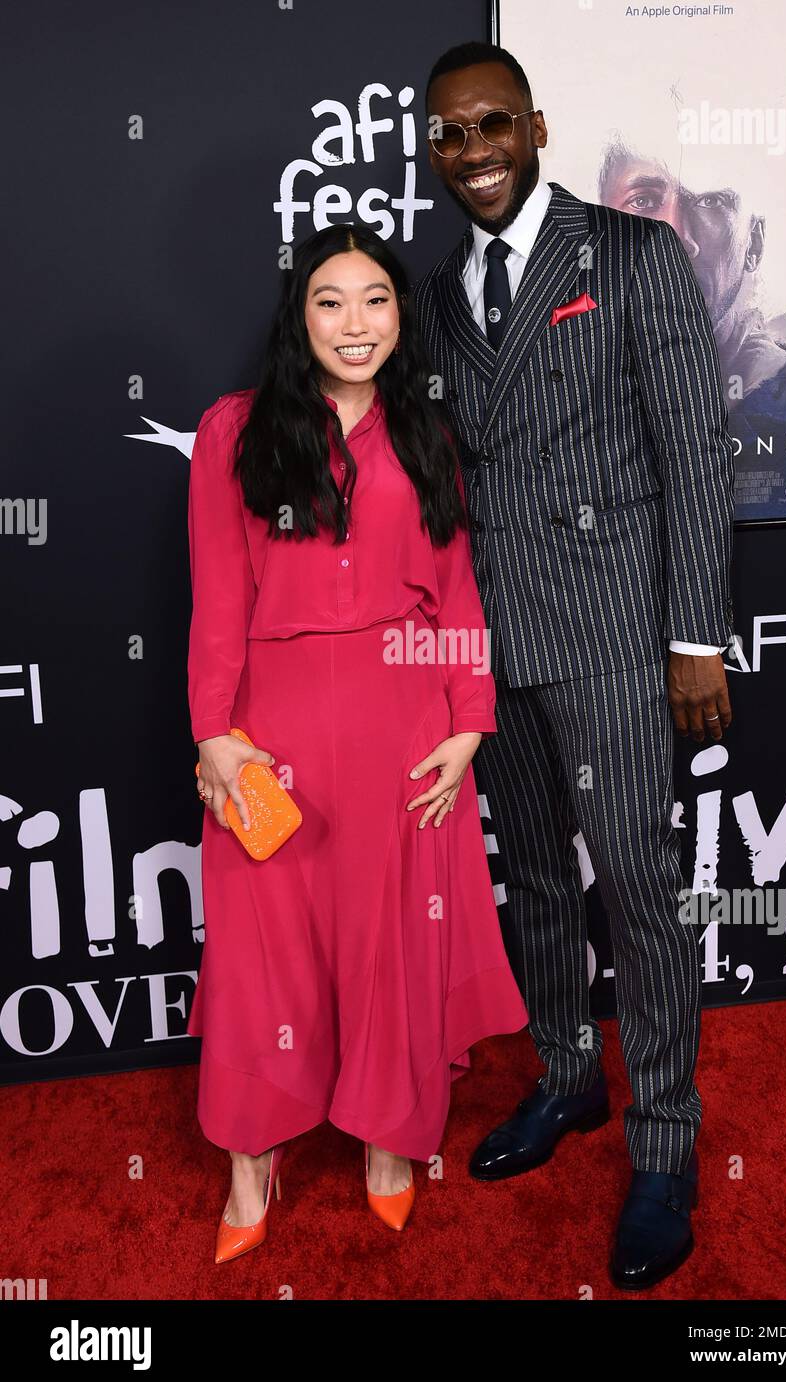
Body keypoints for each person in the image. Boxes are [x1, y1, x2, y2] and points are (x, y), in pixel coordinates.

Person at [414, 41, 735, 1289]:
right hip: (494, 644)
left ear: (534, 126)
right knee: (534, 880)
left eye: (492, 124)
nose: (474, 151)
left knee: (640, 894)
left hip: (610, 631)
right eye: (450, 134)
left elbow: (694, 449)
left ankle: (663, 1142)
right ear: (432, 150)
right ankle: (567, 1079)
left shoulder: (631, 253)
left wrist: (692, 637)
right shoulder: (437, 294)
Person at [186, 221, 528, 1263]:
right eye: (330, 300)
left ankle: (389, 1141)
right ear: (299, 315)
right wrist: (214, 736)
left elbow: (459, 585)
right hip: (271, 733)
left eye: (374, 299)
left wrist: (470, 719)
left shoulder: (425, 430)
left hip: (403, 728)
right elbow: (216, 596)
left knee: (391, 942)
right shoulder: (235, 429)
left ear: (398, 314)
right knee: (261, 955)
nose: (354, 322)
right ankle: (254, 1156)